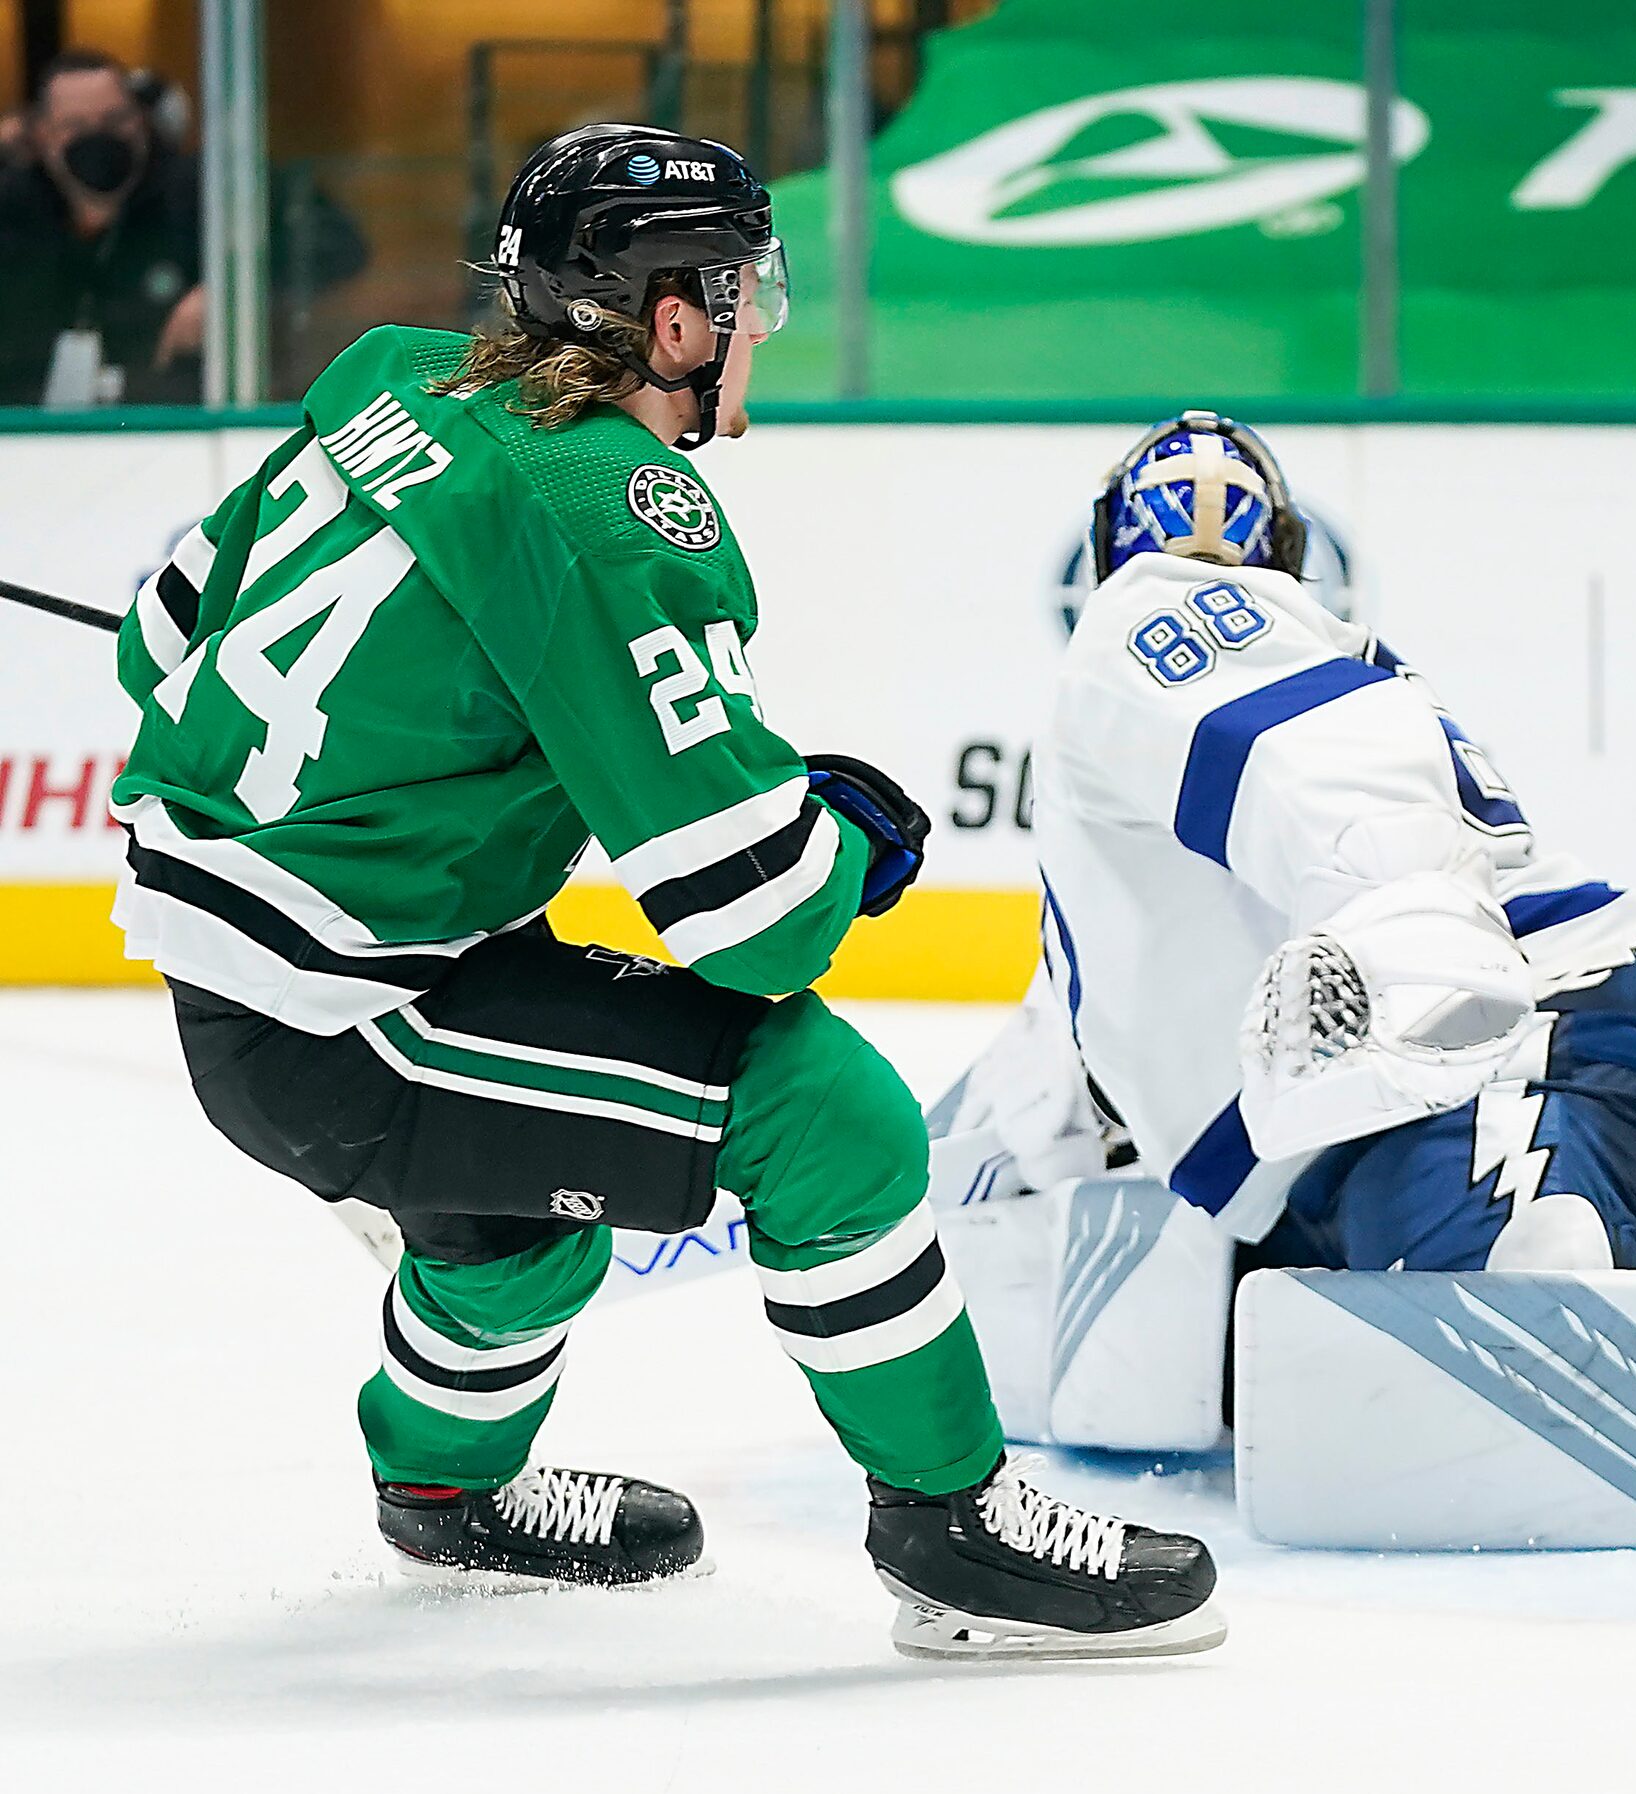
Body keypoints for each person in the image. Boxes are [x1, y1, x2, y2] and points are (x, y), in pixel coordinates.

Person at [105, 123, 1222, 1662]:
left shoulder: (387, 379)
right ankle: (951, 1527)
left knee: (521, 1232)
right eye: (744, 286)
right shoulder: (614, 508)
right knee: (823, 1109)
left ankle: (444, 1487)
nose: (761, 316)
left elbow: (155, 642)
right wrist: (844, 842)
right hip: (347, 1009)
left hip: (281, 964)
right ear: (672, 316)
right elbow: (751, 919)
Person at [942, 413, 1636, 1302]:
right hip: (1370, 1125)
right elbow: (1070, 1058)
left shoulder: (1143, 615)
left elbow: (1340, 777)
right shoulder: (1142, 784)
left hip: (1490, 1059)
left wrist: (1417, 961)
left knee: (1519, 1325)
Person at [0, 48, 206, 405]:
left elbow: (322, 239)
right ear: (42, 135)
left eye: (115, 120)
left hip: (168, 430)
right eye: (75, 126)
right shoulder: (12, 208)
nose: (98, 137)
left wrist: (229, 292)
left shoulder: (198, 192)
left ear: (141, 120)